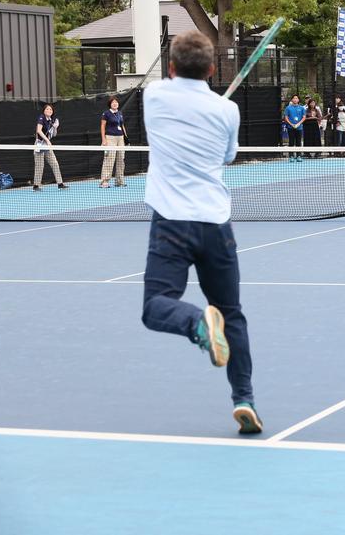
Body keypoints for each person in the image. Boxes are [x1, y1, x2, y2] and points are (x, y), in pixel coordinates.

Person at [140, 30, 262, 434]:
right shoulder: (227, 111)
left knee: (156, 306)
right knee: (232, 315)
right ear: (212, 69)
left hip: (171, 224)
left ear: (171, 67)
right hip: (215, 225)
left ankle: (195, 323)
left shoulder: (154, 96)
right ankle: (244, 399)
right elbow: (228, 155)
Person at [33, 103, 67, 191]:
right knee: (40, 166)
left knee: (54, 163)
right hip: (40, 144)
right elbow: (38, 130)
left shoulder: (52, 121)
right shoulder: (41, 118)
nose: (49, 111)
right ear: (44, 111)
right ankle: (36, 186)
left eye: (50, 109)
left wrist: (55, 127)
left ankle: (60, 183)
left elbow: (54, 135)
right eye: (47, 109)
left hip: (47, 146)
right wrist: (47, 140)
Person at [99, 95, 127, 188]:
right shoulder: (106, 114)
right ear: (110, 104)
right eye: (113, 102)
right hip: (110, 138)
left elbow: (122, 125)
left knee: (121, 159)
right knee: (109, 159)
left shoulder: (120, 113)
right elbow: (103, 126)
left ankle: (119, 181)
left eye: (116, 102)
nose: (115, 104)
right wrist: (104, 139)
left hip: (120, 138)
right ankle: (104, 181)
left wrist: (126, 138)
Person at [284, 94, 306, 162]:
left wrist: (298, 124)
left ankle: (299, 156)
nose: (295, 99)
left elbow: (304, 117)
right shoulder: (288, 108)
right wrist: (291, 124)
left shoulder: (302, 108)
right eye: (294, 98)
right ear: (292, 99)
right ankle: (291, 156)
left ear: (298, 100)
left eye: (296, 98)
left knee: (298, 142)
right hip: (290, 127)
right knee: (291, 142)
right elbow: (286, 117)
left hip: (299, 128)